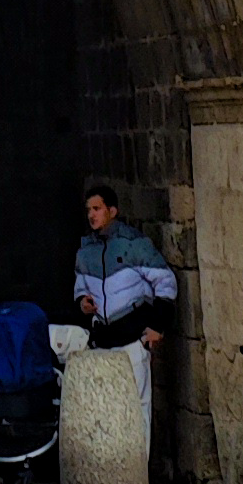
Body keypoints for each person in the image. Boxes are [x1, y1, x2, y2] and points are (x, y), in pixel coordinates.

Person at [73, 184, 177, 442]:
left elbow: (165, 282)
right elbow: (80, 287)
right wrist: (83, 302)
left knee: (137, 410)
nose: (91, 215)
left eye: (97, 208)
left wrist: (158, 326)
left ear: (112, 211)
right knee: (107, 411)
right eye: (88, 210)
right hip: (103, 342)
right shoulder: (85, 251)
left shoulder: (135, 244)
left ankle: (140, 467)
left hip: (132, 340)